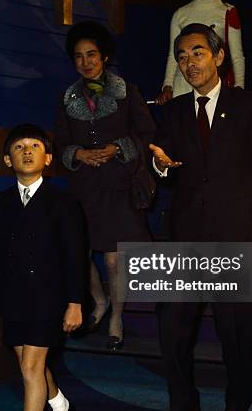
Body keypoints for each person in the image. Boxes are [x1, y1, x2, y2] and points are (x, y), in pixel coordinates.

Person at [150, 23, 252, 411]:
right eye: (181, 56)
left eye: (197, 52)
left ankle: (238, 404)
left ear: (218, 57)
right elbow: (163, 162)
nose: (188, 62)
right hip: (185, 237)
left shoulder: (249, 104)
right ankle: (183, 404)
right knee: (172, 330)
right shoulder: (173, 112)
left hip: (235, 234)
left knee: (235, 333)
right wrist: (160, 165)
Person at [54, 21, 156, 350]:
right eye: (79, 56)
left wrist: (117, 148)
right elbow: (60, 144)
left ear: (104, 57)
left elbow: (147, 133)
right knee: (79, 256)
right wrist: (79, 153)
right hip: (84, 188)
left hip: (118, 184)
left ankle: (117, 316)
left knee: (114, 260)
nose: (86, 62)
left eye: (92, 55)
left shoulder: (128, 91)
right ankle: (99, 302)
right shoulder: (67, 97)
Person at [0, 124, 86, 411]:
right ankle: (60, 403)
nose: (27, 151)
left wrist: (75, 302)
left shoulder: (63, 202)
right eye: (19, 147)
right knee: (28, 363)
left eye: (35, 146)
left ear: (48, 159)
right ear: (7, 160)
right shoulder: (1, 203)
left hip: (48, 299)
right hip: (11, 299)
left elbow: (75, 256)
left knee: (30, 367)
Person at [155, 0, 245, 105]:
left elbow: (237, 56)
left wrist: (239, 87)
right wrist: (167, 86)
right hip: (183, 87)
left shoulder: (228, 12)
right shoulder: (180, 14)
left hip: (214, 86)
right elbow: (173, 56)